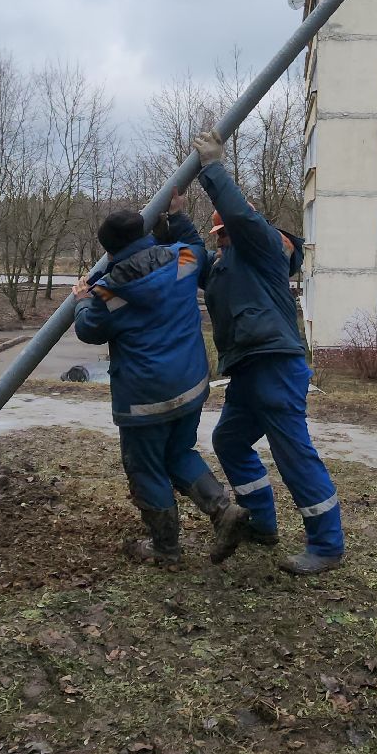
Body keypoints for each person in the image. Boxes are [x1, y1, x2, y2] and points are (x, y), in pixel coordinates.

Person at [189, 130, 345, 575]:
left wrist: (213, 166)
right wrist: (177, 220)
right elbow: (203, 269)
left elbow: (238, 215)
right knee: (230, 440)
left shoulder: (262, 247)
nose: (219, 241)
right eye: (217, 236)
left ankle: (327, 543)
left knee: (292, 450)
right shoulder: (225, 265)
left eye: (222, 234)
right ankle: (261, 522)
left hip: (274, 362)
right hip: (248, 369)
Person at [73, 190, 249, 564]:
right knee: (178, 452)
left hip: (144, 398)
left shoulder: (108, 289)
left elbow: (89, 329)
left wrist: (81, 299)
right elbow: (193, 246)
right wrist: (178, 215)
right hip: (190, 385)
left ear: (110, 250)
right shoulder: (180, 260)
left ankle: (166, 549)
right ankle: (222, 510)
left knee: (145, 467)